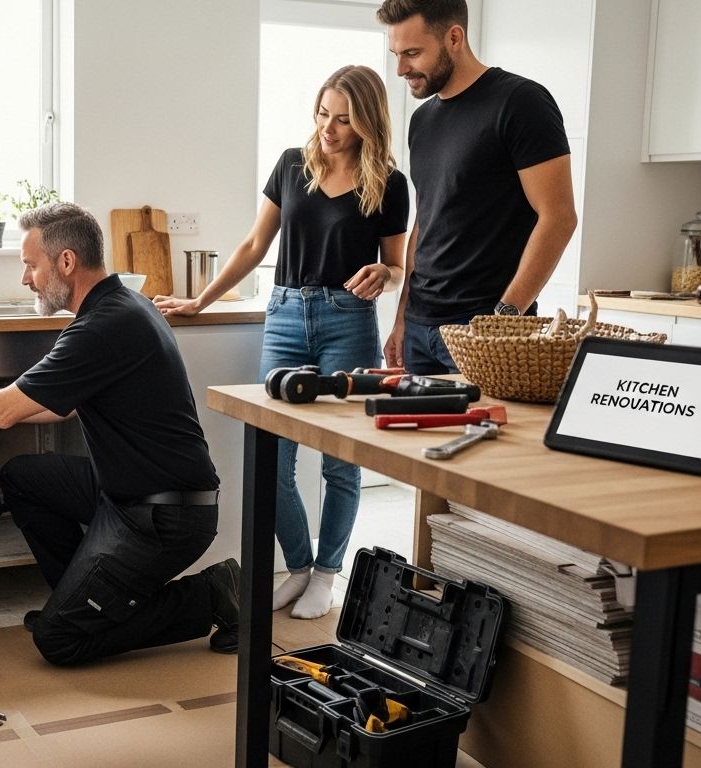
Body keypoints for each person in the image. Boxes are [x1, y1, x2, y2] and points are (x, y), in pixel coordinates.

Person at [0, 201, 239, 666]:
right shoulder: (121, 304)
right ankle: (85, 599)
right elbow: (59, 405)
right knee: (23, 478)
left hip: (163, 515)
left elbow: (6, 409)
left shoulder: (104, 325)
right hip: (126, 491)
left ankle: (213, 594)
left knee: (60, 641)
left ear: (66, 262)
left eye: (31, 264)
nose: (25, 278)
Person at [156, 65, 407, 620]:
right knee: (271, 457)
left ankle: (326, 573)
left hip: (349, 321)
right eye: (323, 114)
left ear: (367, 122)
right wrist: (202, 300)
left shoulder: (389, 182)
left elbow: (397, 267)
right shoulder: (293, 165)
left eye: (344, 119)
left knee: (341, 463)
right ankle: (298, 567)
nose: (329, 129)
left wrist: (383, 276)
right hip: (287, 315)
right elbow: (252, 244)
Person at [376, 0, 577, 375]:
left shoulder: (521, 102)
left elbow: (559, 218)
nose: (402, 68)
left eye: (413, 53)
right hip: (420, 328)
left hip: (484, 328)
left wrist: (505, 316)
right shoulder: (422, 120)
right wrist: (402, 317)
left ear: (454, 37)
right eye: (397, 54)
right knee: (414, 435)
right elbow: (426, 220)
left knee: (484, 435)